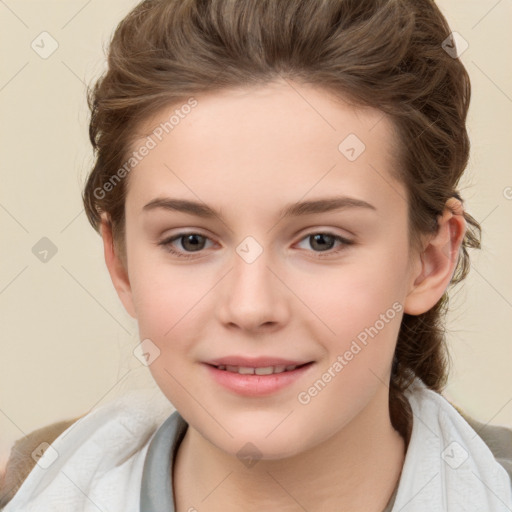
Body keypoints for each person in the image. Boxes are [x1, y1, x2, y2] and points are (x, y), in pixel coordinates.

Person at [1, 0, 511, 510]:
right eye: (191, 241)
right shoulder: (28, 489)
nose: (250, 308)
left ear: (429, 261)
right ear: (121, 263)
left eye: (322, 241)